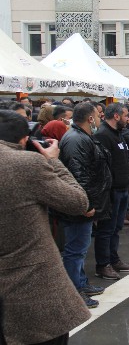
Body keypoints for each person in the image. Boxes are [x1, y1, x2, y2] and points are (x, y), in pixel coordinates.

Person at [0, 110, 91, 345]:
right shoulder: (27, 163)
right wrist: (52, 161)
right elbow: (77, 202)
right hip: (32, 291)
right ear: (23, 140)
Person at [55, 102, 111, 309]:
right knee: (75, 250)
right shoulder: (75, 139)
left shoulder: (81, 137)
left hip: (84, 202)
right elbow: (79, 175)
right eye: (97, 115)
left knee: (79, 248)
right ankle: (73, 292)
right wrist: (86, 204)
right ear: (89, 119)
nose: (99, 119)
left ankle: (80, 283)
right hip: (79, 205)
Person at [94, 103, 129, 279]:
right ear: (117, 116)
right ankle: (103, 264)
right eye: (126, 116)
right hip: (111, 191)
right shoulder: (103, 135)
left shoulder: (118, 134)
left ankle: (114, 258)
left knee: (116, 228)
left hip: (122, 189)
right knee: (106, 229)